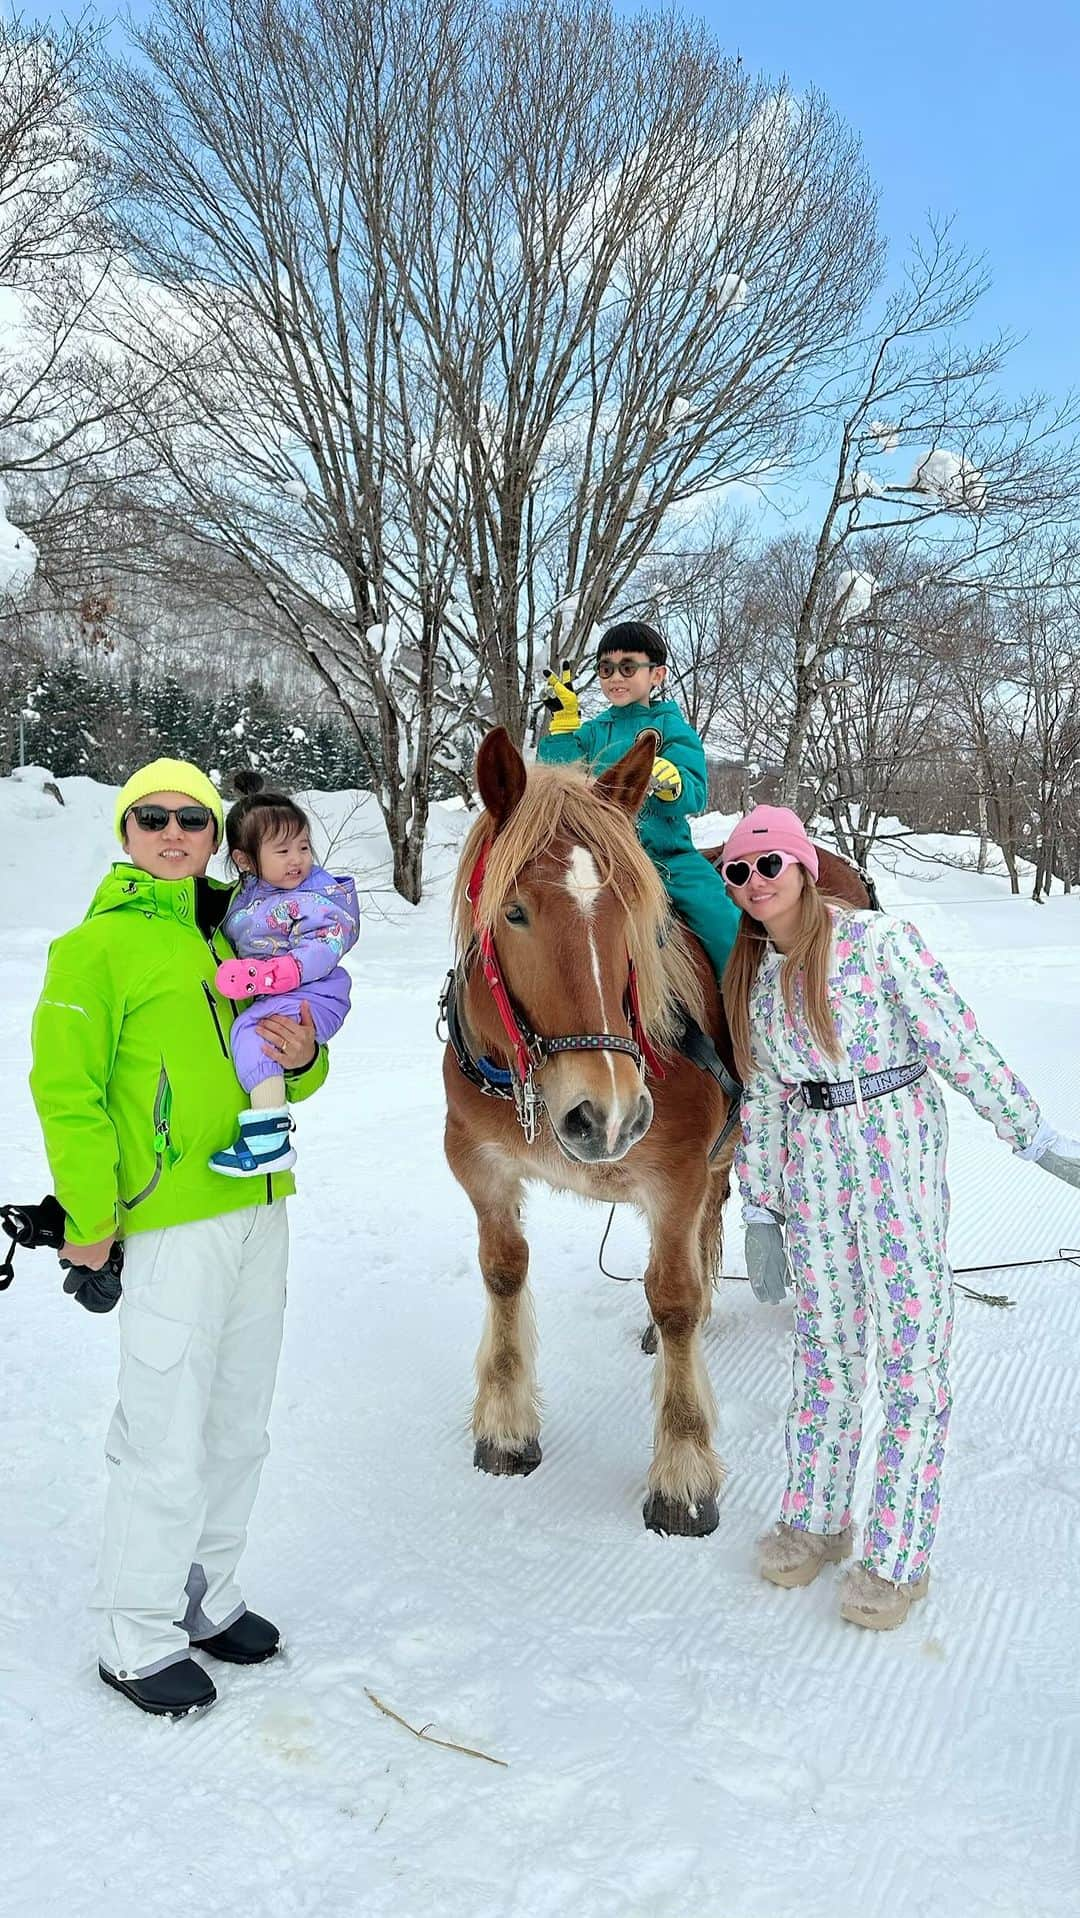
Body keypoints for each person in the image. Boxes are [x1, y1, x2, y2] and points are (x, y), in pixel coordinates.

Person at [719, 803, 1080, 1630]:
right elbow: (769, 1100)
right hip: (813, 1178)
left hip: (895, 1166)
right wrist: (763, 1210)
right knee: (826, 1354)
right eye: (739, 872)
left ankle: (898, 1553)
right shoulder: (761, 978)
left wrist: (1033, 1134)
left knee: (912, 1360)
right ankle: (816, 1517)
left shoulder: (880, 944)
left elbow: (959, 1043)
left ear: (804, 867)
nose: (753, 884)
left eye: (768, 865)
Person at [29, 758, 329, 1716]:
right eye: (150, 817)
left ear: (213, 836)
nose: (171, 832)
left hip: (260, 1202)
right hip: (168, 1223)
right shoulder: (97, 946)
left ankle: (207, 1596)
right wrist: (88, 1220)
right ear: (126, 832)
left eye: (191, 819)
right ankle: (134, 1632)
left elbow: (287, 1064)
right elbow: (65, 1093)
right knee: (163, 1430)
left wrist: (305, 1053)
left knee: (239, 1421)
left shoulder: (232, 931)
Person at [537, 621, 739, 982]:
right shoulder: (594, 730)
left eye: (628, 667)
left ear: (656, 674)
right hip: (604, 861)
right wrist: (565, 726)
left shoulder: (671, 727)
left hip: (666, 858)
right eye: (606, 668)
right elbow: (557, 780)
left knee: (719, 917)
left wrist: (671, 781)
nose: (616, 677)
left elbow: (695, 791)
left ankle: (743, 996)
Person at [210, 772, 358, 1177]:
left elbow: (329, 940)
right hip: (284, 996)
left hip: (316, 994)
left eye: (304, 847)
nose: (297, 859)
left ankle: (269, 1136)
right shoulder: (239, 901)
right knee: (253, 1031)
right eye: (283, 850)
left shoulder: (313, 895)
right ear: (244, 860)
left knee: (250, 1031)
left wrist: (273, 973)